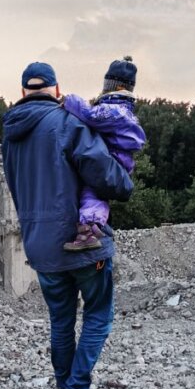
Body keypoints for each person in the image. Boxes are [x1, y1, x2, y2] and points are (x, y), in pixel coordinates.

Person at [1, 61, 134, 389]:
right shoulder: (66, 122)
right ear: (57, 91)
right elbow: (108, 177)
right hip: (83, 242)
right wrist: (125, 180)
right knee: (98, 315)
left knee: (61, 321)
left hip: (40, 246)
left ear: (22, 93)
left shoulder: (11, 136)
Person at [61, 56, 147, 251]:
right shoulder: (123, 110)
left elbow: (91, 117)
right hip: (118, 159)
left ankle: (89, 230)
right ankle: (92, 229)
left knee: (92, 193)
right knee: (96, 193)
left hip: (112, 159)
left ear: (114, 87)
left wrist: (70, 100)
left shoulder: (114, 110)